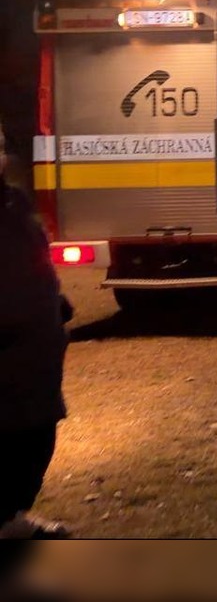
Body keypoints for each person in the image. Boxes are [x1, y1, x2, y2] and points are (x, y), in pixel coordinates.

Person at [0, 114, 71, 538]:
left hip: (36, 354)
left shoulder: (14, 203)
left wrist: (54, 304)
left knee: (35, 438)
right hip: (7, 354)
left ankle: (11, 517)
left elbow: (32, 258)